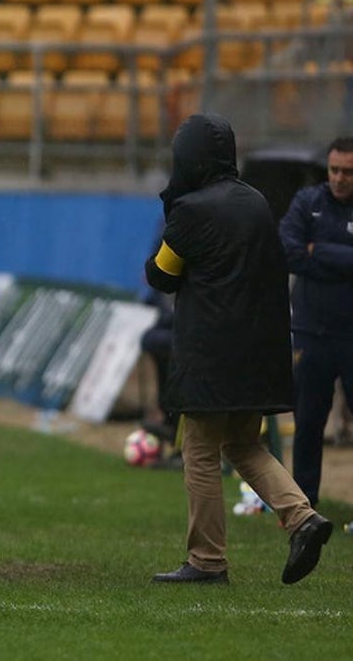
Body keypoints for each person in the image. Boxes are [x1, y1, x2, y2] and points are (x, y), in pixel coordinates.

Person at [145, 113, 331, 585]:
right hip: (260, 350)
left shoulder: (191, 210)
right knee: (243, 444)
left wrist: (173, 215)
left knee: (202, 453)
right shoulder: (256, 201)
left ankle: (207, 562)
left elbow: (162, 275)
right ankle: (302, 516)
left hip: (211, 353)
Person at [279, 135, 353, 508]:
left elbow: (305, 252)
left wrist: (317, 251)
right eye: (334, 170)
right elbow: (288, 250)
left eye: (348, 172)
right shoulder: (308, 202)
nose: (340, 178)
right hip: (311, 331)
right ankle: (303, 508)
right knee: (308, 422)